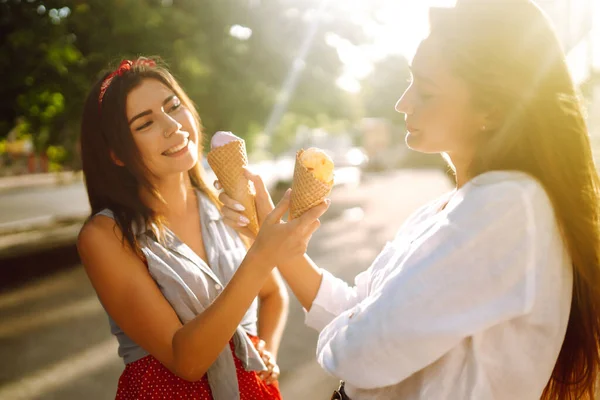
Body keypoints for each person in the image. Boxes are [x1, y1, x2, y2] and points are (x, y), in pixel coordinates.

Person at [218, 0, 600, 399]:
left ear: (493, 110)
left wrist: (351, 333)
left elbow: (360, 353)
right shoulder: (446, 208)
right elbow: (355, 307)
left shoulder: (508, 206)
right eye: (410, 80)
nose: (404, 102)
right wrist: (276, 241)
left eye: (427, 91)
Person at [77, 57, 329, 399]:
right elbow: (187, 360)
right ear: (116, 154)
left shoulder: (224, 205)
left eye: (174, 106)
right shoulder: (105, 236)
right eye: (145, 123)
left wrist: (264, 355)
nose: (172, 126)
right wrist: (263, 253)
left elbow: (272, 295)